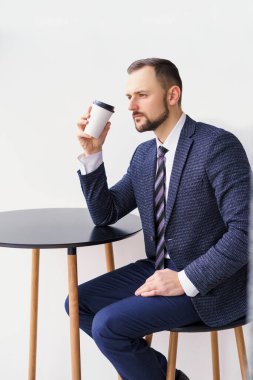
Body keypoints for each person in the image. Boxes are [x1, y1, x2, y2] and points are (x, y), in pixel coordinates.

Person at [65, 58, 251, 380]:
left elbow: (244, 233)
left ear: (172, 95)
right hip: (158, 269)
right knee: (76, 304)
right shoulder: (145, 156)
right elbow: (105, 213)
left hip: (212, 285)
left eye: (141, 95)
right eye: (128, 98)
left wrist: (182, 280)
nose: (131, 106)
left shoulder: (217, 146)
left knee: (108, 324)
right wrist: (92, 152)